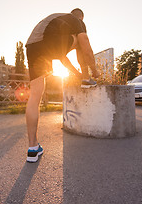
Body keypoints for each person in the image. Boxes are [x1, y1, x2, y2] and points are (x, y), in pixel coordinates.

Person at [25, 8, 99, 162]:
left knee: (34, 96)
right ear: (81, 18)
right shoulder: (76, 21)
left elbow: (61, 56)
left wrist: (76, 74)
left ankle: (33, 148)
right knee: (81, 40)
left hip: (32, 47)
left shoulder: (58, 22)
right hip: (47, 43)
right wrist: (95, 71)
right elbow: (85, 44)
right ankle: (87, 78)